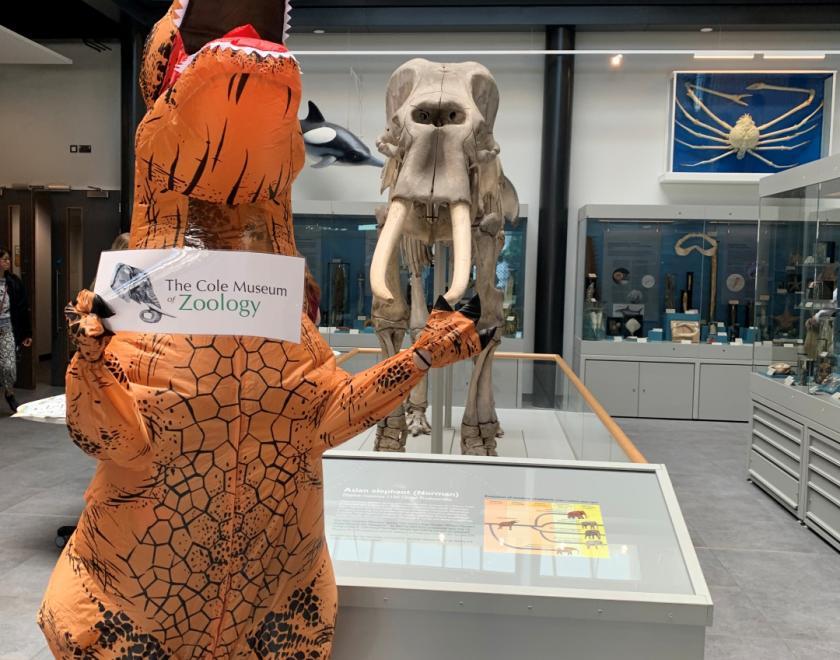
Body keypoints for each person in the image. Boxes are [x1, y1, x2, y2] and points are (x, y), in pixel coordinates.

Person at [0, 247, 32, 412]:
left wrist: (26, 333)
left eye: (8, 259)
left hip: (7, 329)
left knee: (9, 366)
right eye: (4, 259)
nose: (8, 262)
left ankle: (9, 393)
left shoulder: (13, 282)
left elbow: (22, 308)